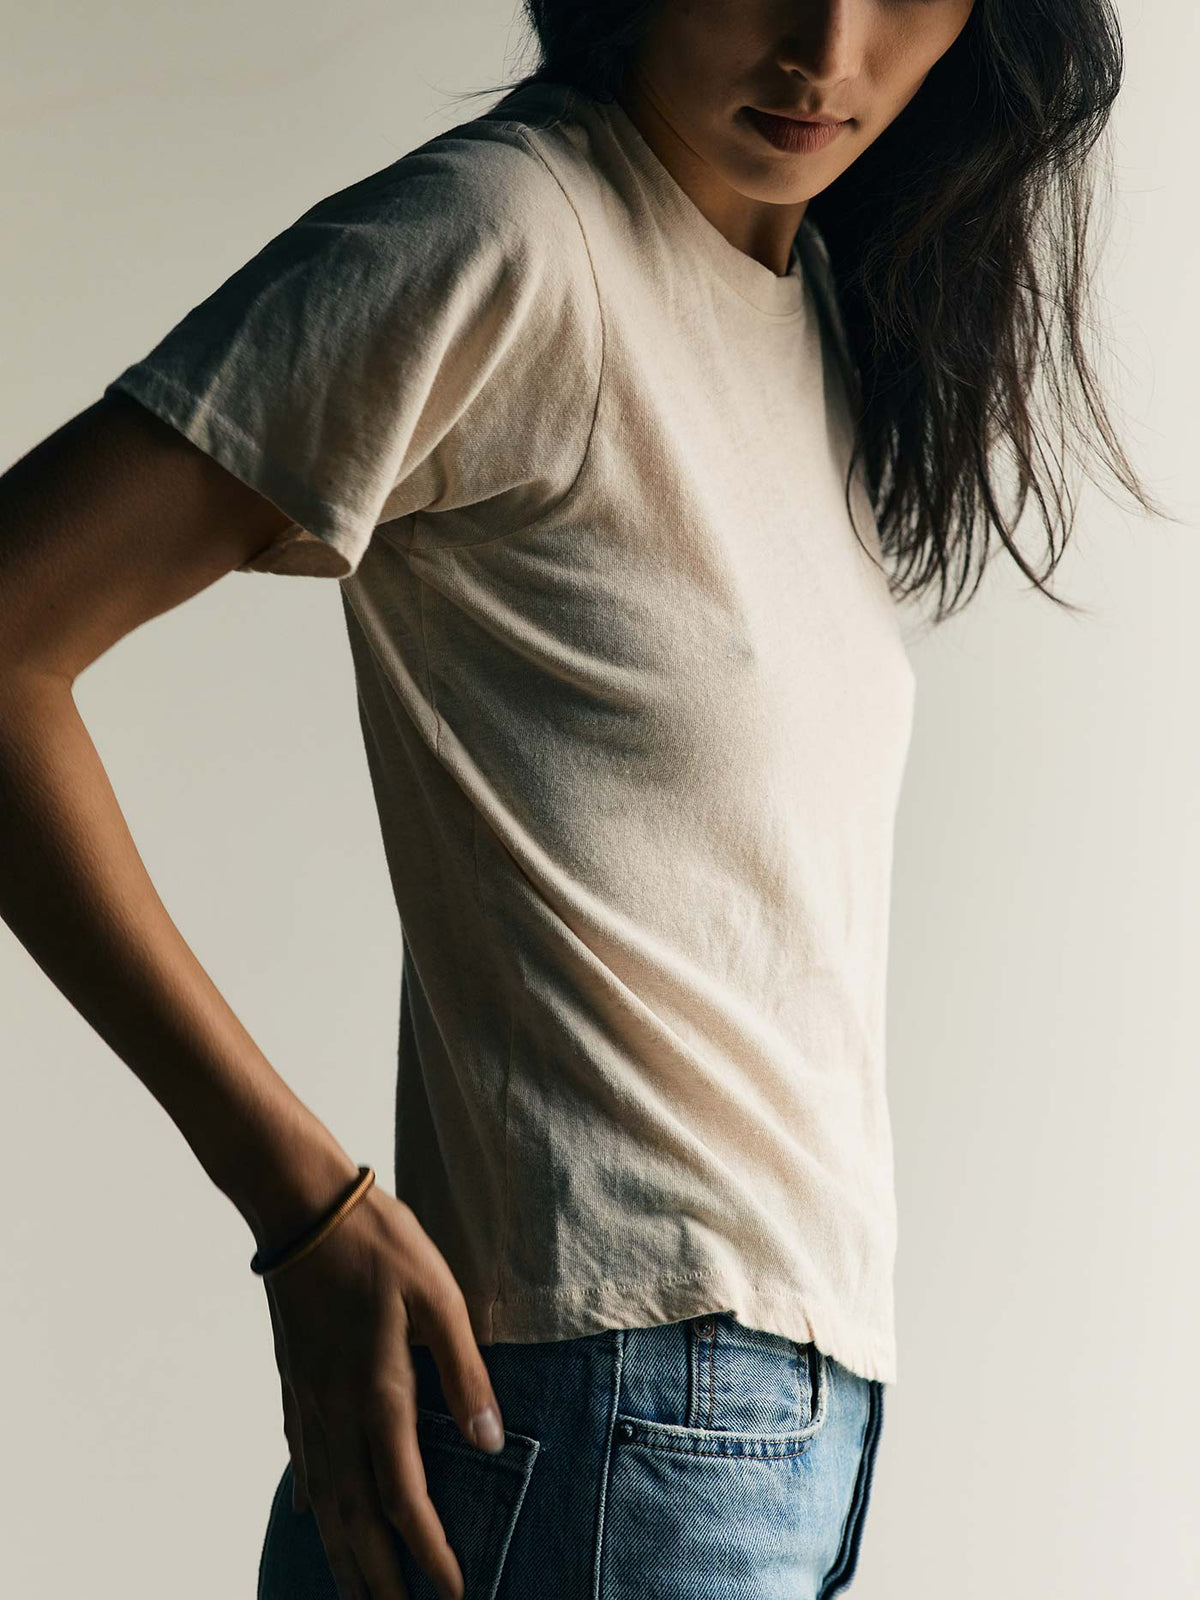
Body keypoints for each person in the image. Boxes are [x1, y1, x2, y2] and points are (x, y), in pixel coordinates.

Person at [0, 3, 1169, 1598]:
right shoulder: (514, 240)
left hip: (772, 1431)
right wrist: (302, 1206)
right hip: (601, 1414)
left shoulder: (813, 301)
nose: (827, 47)